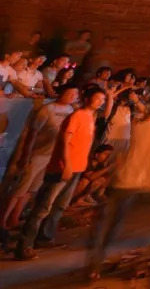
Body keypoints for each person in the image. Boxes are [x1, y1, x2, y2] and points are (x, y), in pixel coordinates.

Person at [88, 104, 150, 279]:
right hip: (135, 181)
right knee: (118, 221)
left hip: (123, 177)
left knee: (109, 218)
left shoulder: (138, 126)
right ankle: (99, 261)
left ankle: (96, 258)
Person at [16, 86, 107, 259]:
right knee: (44, 206)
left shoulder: (89, 117)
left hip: (77, 167)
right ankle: (24, 245)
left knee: (59, 205)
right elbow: (65, 140)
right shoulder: (77, 116)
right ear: (87, 99)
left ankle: (44, 237)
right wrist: (66, 164)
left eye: (102, 99)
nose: (100, 102)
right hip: (62, 168)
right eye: (98, 99)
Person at [1, 86, 77, 230]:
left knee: (32, 189)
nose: (72, 97)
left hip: (52, 156)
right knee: (21, 188)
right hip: (38, 154)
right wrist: (26, 154)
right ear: (61, 93)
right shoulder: (47, 109)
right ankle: (3, 218)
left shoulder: (70, 111)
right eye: (69, 93)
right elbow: (33, 133)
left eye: (75, 94)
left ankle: (15, 217)